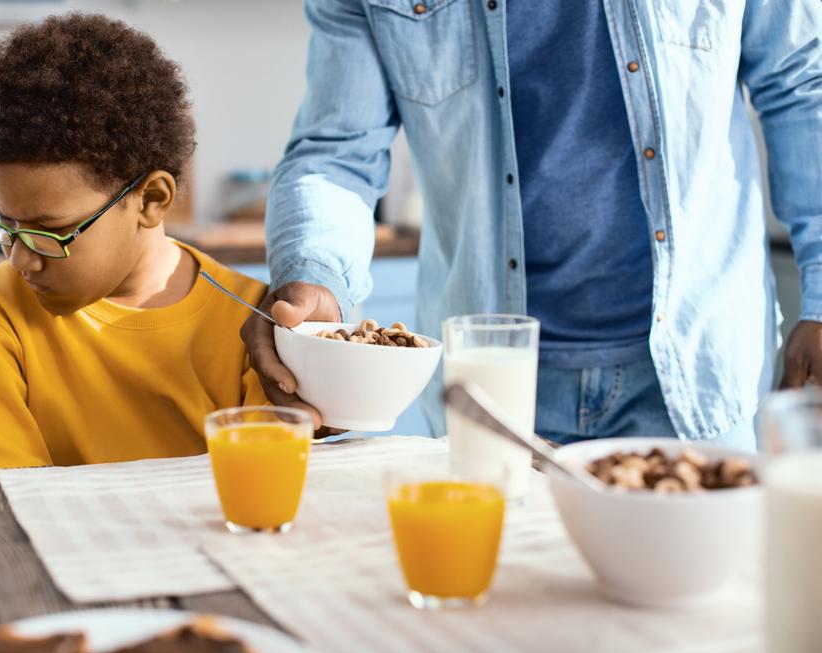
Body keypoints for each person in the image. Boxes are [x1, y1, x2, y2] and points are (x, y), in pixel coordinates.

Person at [242, 0, 822, 449]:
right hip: (489, 389)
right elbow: (338, 147)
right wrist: (312, 270)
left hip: (700, 373)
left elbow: (803, 85)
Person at [0, 13, 266, 473]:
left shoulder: (256, 327)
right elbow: (1, 511)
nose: (21, 261)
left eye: (50, 232)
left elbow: (260, 500)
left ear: (151, 199)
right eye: (5, 224)